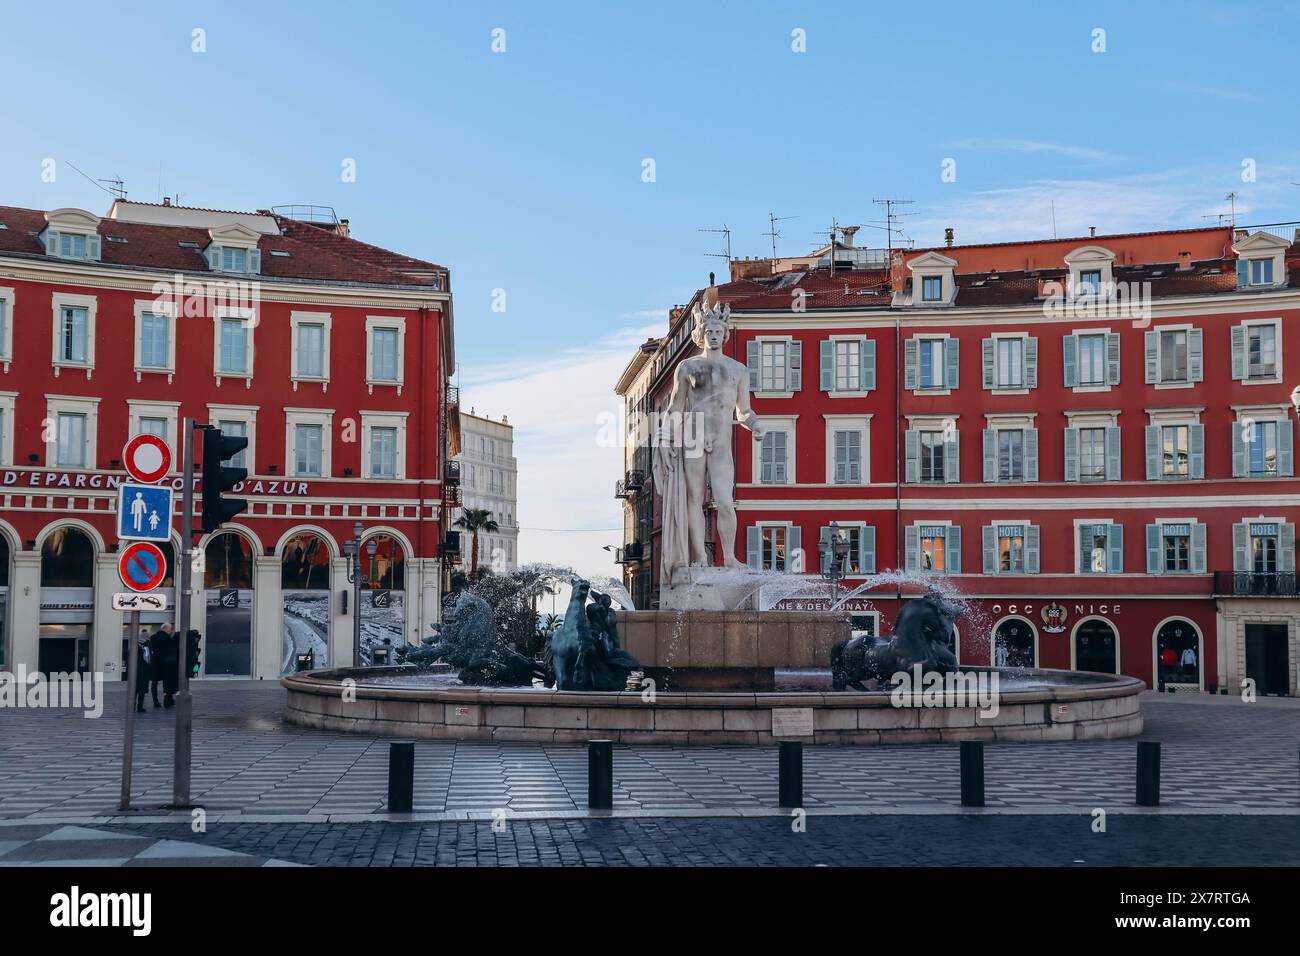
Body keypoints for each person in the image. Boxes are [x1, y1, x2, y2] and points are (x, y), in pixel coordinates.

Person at [150, 623, 178, 708]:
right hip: (166, 664)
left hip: (155, 663)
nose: (171, 631)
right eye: (170, 629)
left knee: (154, 683)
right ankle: (168, 700)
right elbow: (171, 651)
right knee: (168, 682)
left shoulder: (153, 637)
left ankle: (155, 701)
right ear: (165, 629)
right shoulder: (167, 638)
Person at [133, 628, 152, 714]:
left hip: (135, 671)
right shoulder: (146, 646)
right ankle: (139, 707)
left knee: (135, 690)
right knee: (142, 691)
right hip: (143, 671)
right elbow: (148, 659)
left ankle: (133, 706)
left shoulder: (135, 645)